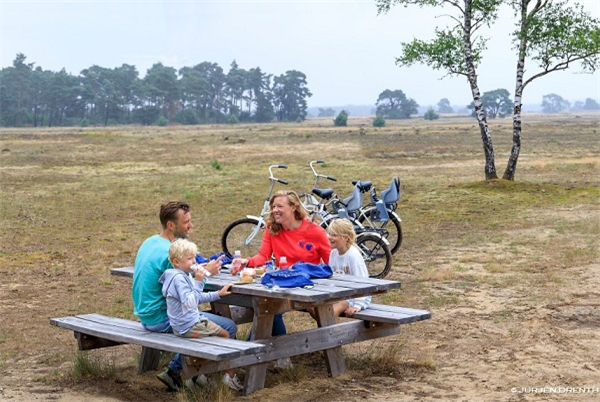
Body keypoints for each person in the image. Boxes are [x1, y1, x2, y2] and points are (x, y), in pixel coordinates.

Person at [132, 201, 235, 391]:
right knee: (228, 325)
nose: (191, 226)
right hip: (162, 317)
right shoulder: (167, 254)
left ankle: (193, 373)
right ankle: (184, 373)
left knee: (206, 319)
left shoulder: (151, 242)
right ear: (171, 225)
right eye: (186, 222)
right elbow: (188, 292)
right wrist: (205, 274)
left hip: (145, 314)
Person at [240, 190, 331, 345]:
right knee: (267, 306)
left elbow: (331, 264)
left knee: (269, 307)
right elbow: (263, 256)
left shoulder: (315, 232)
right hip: (283, 284)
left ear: (293, 207)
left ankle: (245, 353)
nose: (275, 210)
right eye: (273, 206)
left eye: (280, 206)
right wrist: (246, 262)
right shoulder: (272, 229)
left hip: (309, 287)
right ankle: (272, 354)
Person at [160, 238, 242, 391]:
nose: (194, 261)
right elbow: (191, 302)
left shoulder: (182, 275)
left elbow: (196, 297)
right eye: (189, 258)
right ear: (176, 262)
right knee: (224, 335)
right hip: (188, 325)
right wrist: (199, 281)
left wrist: (218, 294)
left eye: (194, 257)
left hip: (187, 323)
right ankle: (229, 377)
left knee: (219, 336)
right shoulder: (179, 279)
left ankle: (202, 378)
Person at [310, 218, 371, 319]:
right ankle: (325, 329)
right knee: (312, 307)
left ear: (346, 238)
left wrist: (357, 305)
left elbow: (363, 282)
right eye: (329, 234)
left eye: (334, 235)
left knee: (330, 314)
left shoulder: (353, 256)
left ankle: (328, 332)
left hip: (355, 295)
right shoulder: (333, 253)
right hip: (340, 293)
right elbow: (332, 276)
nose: (330, 237)